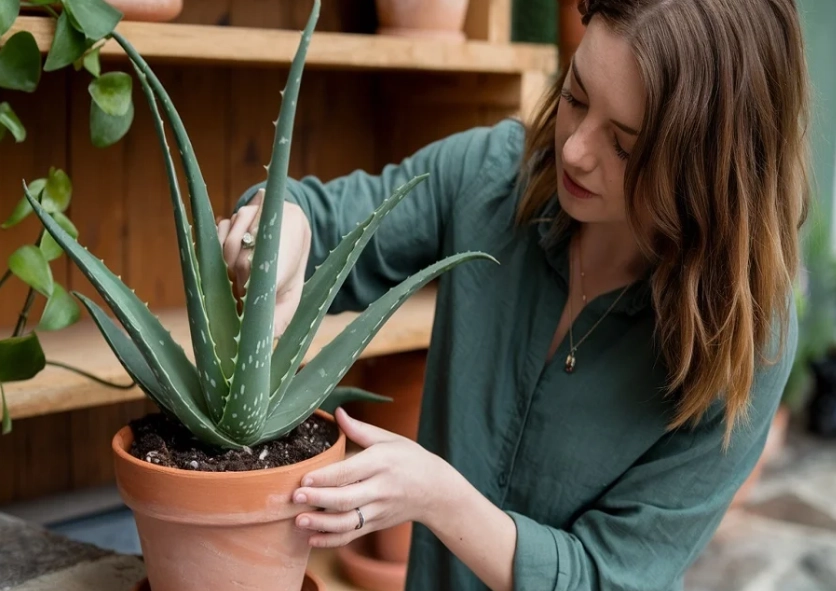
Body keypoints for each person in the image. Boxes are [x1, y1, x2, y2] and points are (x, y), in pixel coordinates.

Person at [216, 0, 811, 589]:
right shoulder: (492, 177)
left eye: (625, 146)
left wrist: (439, 498)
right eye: (576, 97)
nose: (575, 149)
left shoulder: (745, 340)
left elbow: (612, 579)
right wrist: (276, 231)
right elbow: (322, 222)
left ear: (708, 169)